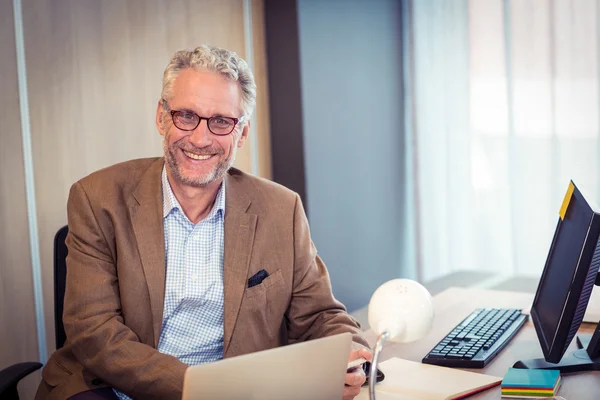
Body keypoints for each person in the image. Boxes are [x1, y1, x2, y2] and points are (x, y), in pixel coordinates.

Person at [36, 45, 372, 400]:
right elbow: (94, 332)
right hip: (111, 388)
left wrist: (353, 360)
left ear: (241, 133)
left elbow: (320, 315)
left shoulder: (281, 210)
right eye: (186, 116)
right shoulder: (97, 198)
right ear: (162, 118)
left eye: (221, 121)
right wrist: (204, 389)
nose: (200, 138)